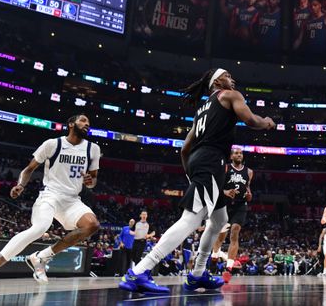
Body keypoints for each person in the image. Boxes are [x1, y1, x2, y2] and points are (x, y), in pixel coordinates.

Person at [118, 68, 275, 294]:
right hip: (212, 162)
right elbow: (251, 120)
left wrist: (192, 174)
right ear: (218, 81)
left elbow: (184, 150)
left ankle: (198, 274)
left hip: (202, 163)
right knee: (191, 220)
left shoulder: (201, 110)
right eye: (228, 75)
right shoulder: (230, 95)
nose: (233, 79)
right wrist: (267, 122)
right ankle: (140, 271)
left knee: (220, 220)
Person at [0, 114, 101, 292]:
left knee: (92, 225)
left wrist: (89, 181)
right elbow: (29, 169)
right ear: (71, 124)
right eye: (83, 120)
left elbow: (93, 180)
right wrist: (20, 185)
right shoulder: (53, 144)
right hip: (50, 195)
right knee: (40, 228)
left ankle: (41, 257)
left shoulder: (93, 149)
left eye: (88, 122)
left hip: (72, 200)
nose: (87, 124)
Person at [210, 148, 254, 283]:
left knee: (235, 232)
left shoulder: (249, 172)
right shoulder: (225, 168)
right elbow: (215, 185)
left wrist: (249, 196)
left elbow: (249, 192)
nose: (239, 155)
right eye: (236, 153)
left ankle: (228, 269)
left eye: (240, 153)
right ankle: (214, 255)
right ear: (231, 156)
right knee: (221, 236)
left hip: (240, 206)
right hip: (225, 204)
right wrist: (225, 191)